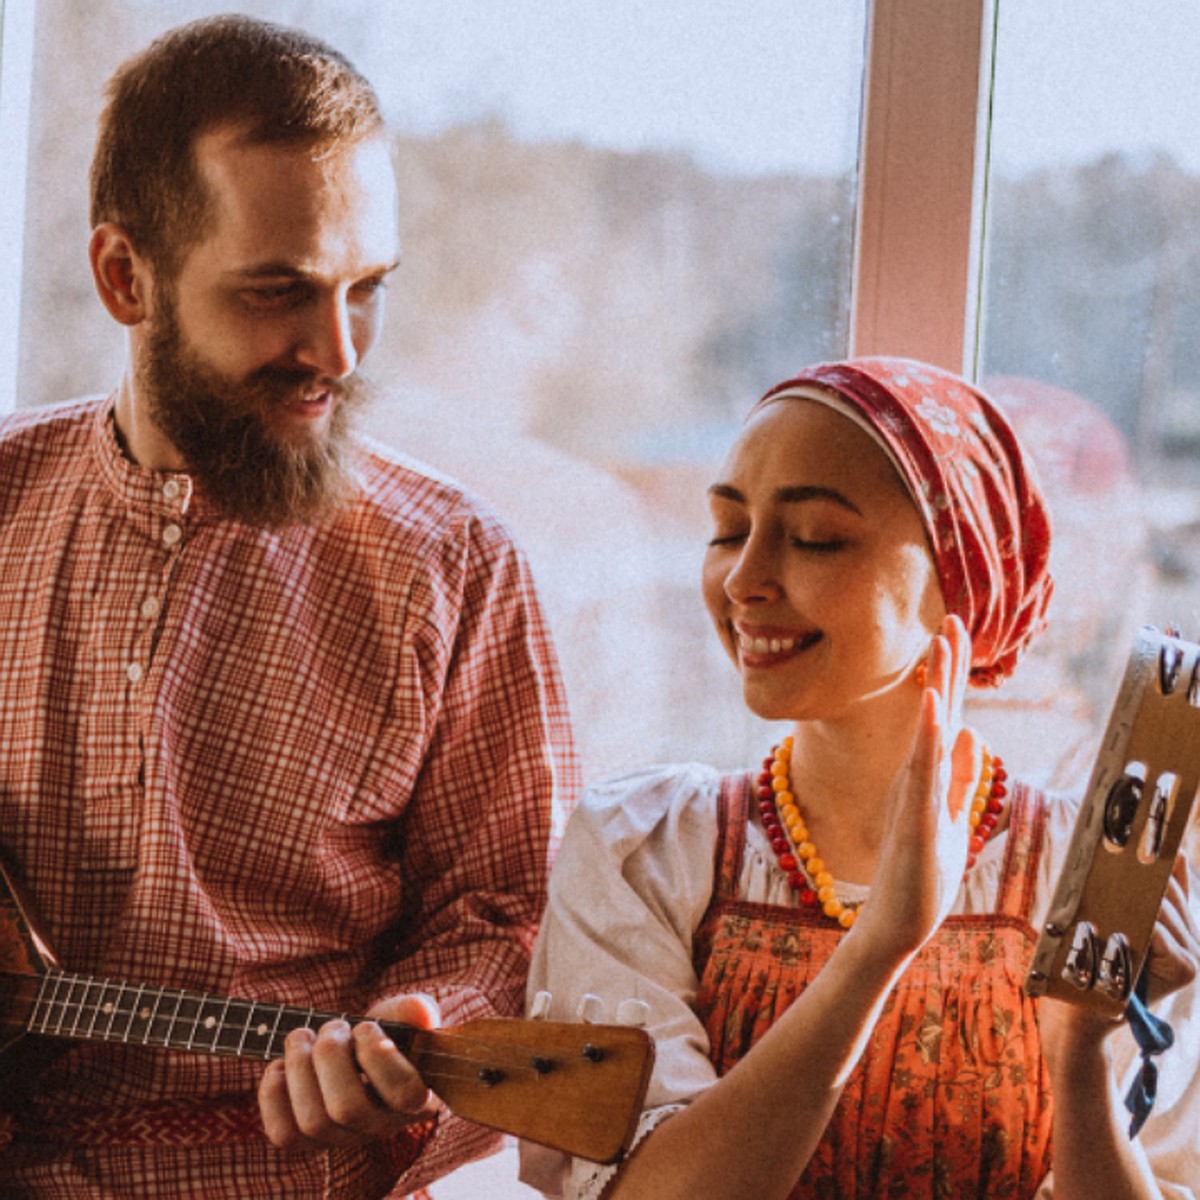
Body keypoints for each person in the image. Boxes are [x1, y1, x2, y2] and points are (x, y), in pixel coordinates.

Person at [0, 15, 576, 1199]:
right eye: (278, 293)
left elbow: (515, 921)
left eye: (366, 289)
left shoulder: (454, 567)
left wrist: (421, 1035)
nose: (338, 349)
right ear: (124, 277)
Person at [521, 357, 1200, 1199]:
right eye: (729, 530)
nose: (743, 579)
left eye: (816, 539)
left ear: (963, 576)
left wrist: (1080, 1054)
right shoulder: (644, 851)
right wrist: (880, 945)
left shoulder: (1089, 881)